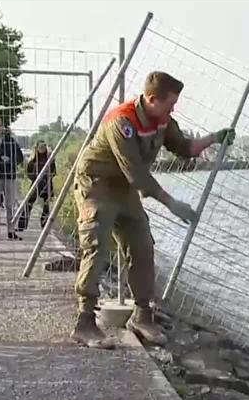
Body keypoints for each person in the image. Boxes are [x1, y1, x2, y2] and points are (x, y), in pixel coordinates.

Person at [70, 70, 234, 349]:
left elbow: (184, 148)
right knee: (97, 245)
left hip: (123, 188)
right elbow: (137, 174)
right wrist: (172, 203)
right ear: (151, 99)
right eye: (169, 103)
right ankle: (84, 322)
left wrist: (214, 138)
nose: (173, 108)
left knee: (142, 245)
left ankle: (142, 315)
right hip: (96, 183)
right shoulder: (121, 122)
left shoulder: (163, 121)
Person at [17, 140, 56, 231]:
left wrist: (47, 177)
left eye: (44, 146)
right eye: (40, 147)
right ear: (37, 148)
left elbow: (54, 172)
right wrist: (36, 178)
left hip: (47, 184)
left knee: (46, 206)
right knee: (28, 205)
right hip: (35, 184)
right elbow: (28, 173)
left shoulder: (50, 159)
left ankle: (45, 226)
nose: (42, 149)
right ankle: (21, 225)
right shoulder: (32, 160)